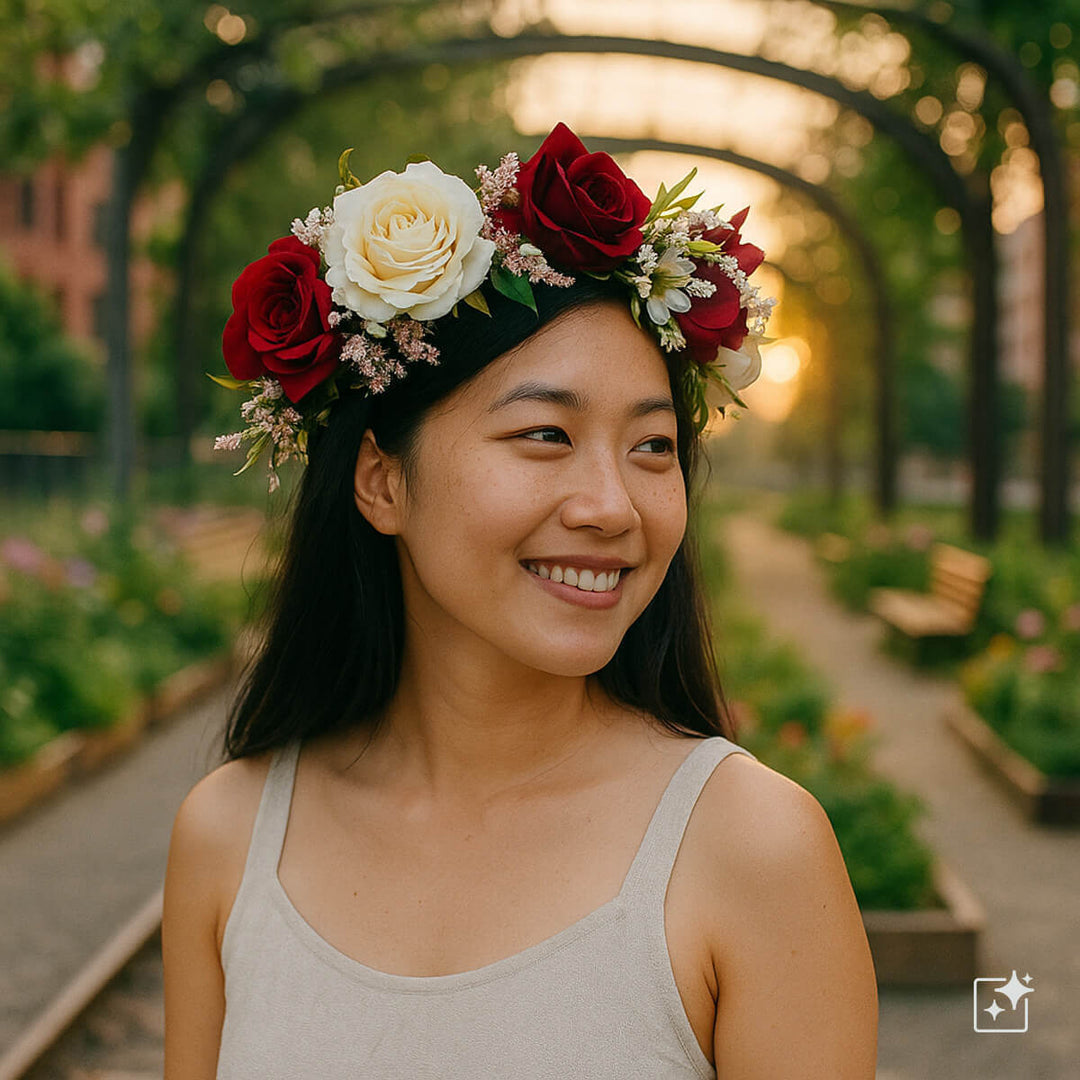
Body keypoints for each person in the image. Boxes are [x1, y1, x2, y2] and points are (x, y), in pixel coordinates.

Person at [162, 122, 878, 1078]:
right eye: (545, 434)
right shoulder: (229, 837)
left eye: (653, 446)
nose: (612, 506)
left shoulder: (752, 851)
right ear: (381, 482)